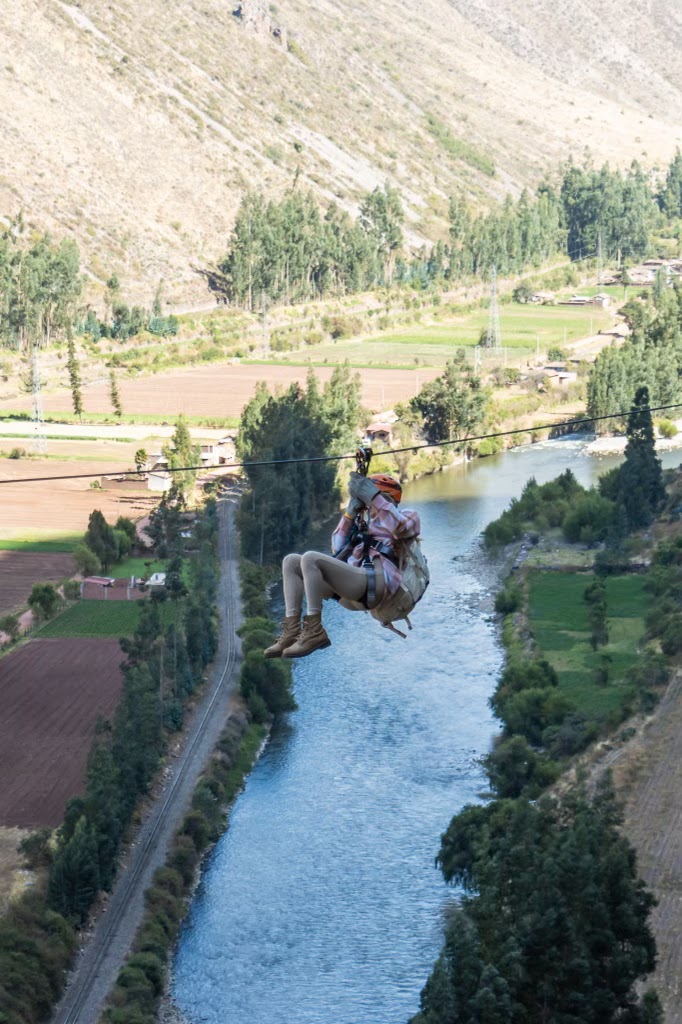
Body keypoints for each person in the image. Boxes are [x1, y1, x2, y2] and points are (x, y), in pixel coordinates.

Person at [264, 471, 421, 659]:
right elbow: (337, 548)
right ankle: (291, 631)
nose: (369, 506)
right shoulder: (364, 524)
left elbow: (401, 528)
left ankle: (314, 630)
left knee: (311, 558)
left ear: (385, 499)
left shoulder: (407, 516)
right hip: (353, 592)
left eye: (370, 500)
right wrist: (348, 516)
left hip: (378, 584)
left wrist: (375, 498)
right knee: (291, 562)